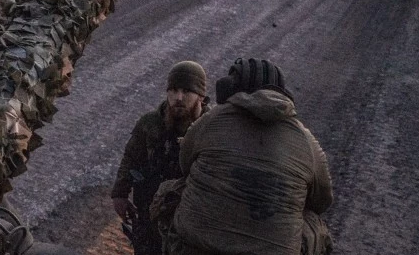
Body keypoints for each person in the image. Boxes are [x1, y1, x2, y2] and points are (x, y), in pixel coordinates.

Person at [166, 58, 333, 255]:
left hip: (196, 247)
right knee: (314, 223)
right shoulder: (306, 140)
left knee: (170, 190)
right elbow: (322, 201)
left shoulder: (211, 120)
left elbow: (185, 164)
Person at [111, 60, 210, 254]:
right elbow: (130, 158)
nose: (179, 97)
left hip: (189, 221)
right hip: (149, 216)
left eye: (186, 91)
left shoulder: (211, 128)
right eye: (173, 90)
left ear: (200, 96)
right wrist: (120, 194)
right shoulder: (150, 124)